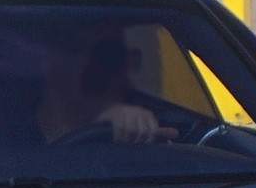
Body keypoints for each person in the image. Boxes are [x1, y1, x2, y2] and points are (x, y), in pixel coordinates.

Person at [34, 25, 177, 145]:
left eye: (114, 56)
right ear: (51, 67)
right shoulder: (14, 143)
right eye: (104, 56)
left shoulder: (135, 136)